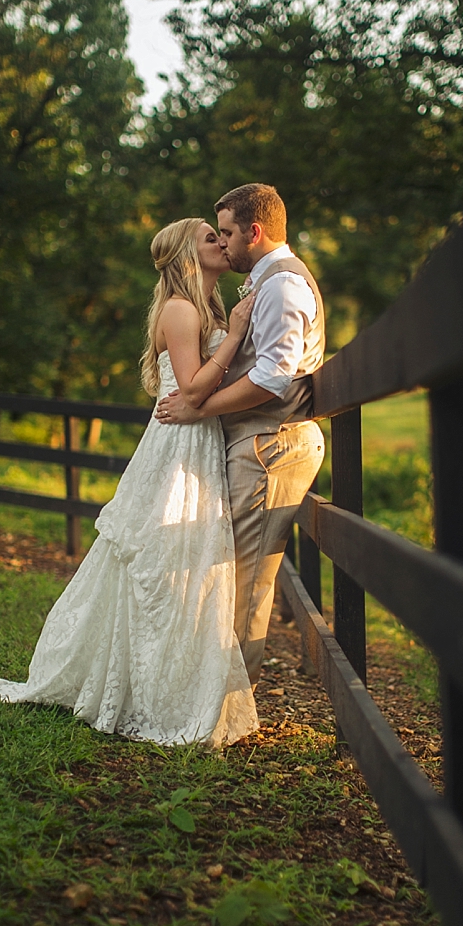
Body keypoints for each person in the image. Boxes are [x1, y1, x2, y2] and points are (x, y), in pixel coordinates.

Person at [0, 218, 259, 747]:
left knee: (189, 561)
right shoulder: (180, 311)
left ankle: (172, 684)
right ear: (187, 254)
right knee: (159, 563)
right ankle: (143, 689)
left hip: (197, 442)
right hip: (177, 444)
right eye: (210, 237)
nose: (221, 243)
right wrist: (239, 335)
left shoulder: (206, 309)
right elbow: (197, 389)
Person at [156, 184, 325, 687]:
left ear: (254, 232)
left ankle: (228, 700)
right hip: (257, 444)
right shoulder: (262, 283)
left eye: (227, 233)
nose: (223, 243)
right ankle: (212, 691)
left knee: (246, 579)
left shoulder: (282, 286)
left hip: (272, 445)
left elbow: (274, 376)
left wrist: (197, 407)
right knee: (230, 572)